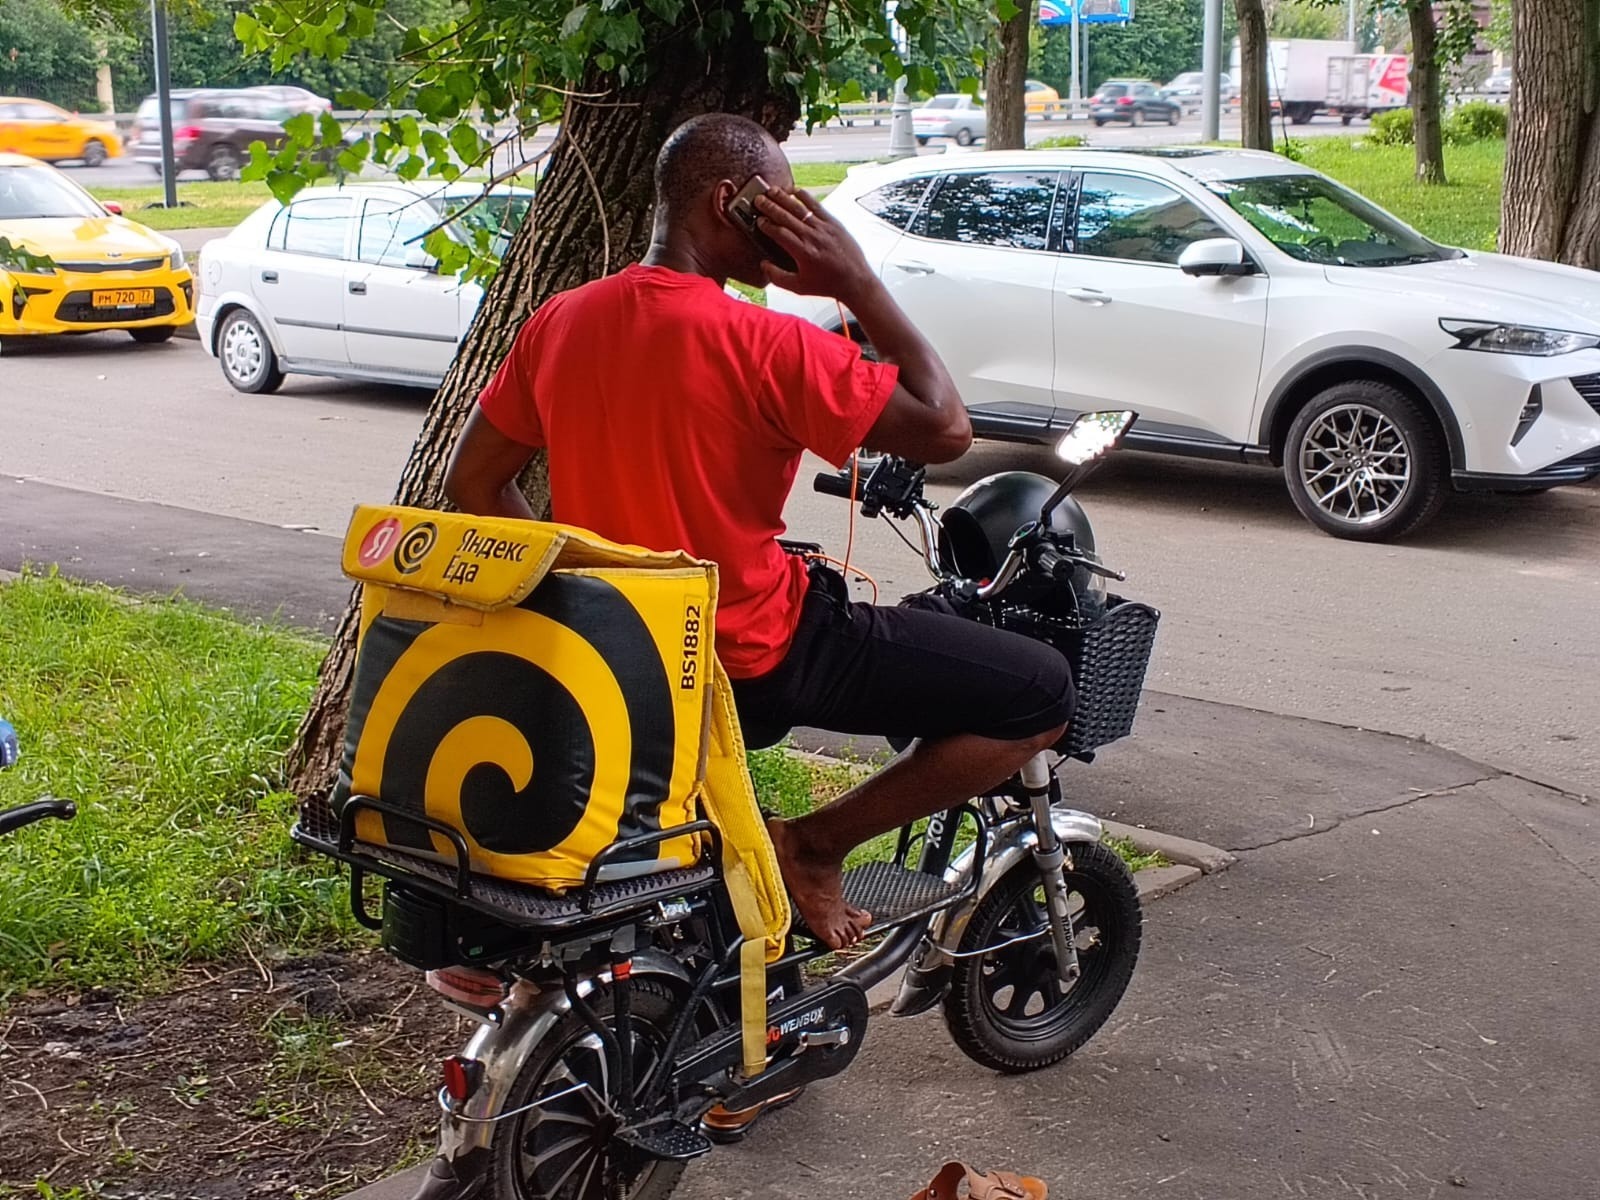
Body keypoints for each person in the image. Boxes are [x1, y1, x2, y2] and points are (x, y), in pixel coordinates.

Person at [443, 113, 1074, 955]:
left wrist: (584, 598)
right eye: (781, 201)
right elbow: (947, 428)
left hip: (618, 655)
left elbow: (473, 482)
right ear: (729, 201)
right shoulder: (768, 344)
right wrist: (856, 282)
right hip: (751, 655)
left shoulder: (561, 321)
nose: (798, 218)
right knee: (1039, 690)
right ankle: (814, 846)